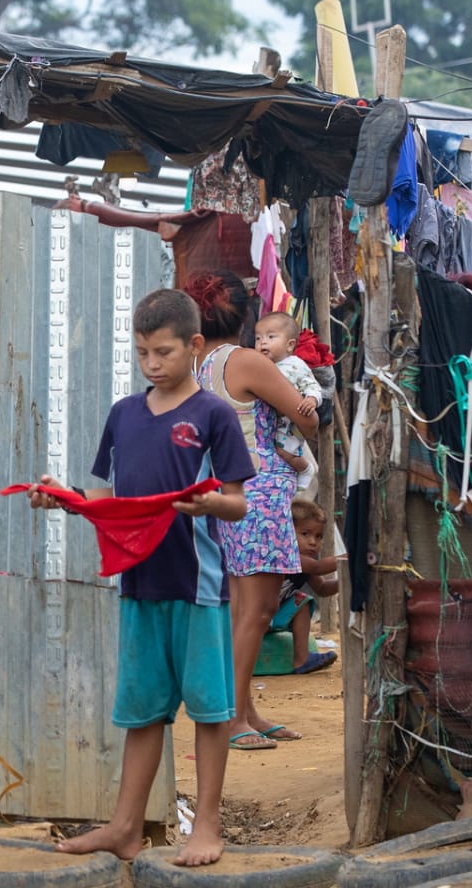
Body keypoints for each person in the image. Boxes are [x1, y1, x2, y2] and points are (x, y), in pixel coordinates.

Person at [27, 288, 252, 867]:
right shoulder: (124, 415)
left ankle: (207, 826)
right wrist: (65, 499)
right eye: (143, 352)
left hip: (198, 587)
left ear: (194, 346)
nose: (152, 363)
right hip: (139, 585)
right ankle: (126, 827)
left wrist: (208, 507)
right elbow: (103, 496)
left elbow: (238, 503)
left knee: (209, 710)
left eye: (164, 352)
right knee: (144, 712)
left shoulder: (214, 415)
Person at [183, 270, 317, 750]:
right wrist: (314, 403)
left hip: (228, 490)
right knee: (257, 611)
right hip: (259, 497)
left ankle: (246, 710)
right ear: (243, 316)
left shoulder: (201, 363)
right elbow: (305, 416)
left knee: (240, 609)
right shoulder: (244, 361)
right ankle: (233, 718)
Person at [251, 311, 321, 494]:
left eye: (271, 337)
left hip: (290, 425)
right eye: (258, 338)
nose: (263, 342)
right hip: (272, 422)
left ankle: (305, 468)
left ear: (290, 345)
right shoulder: (260, 365)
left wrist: (312, 399)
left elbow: (312, 385)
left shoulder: (296, 365)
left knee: (283, 452)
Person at [270, 499, 341, 676]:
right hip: (253, 618)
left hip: (273, 616)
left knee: (302, 600)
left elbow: (323, 588)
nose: (313, 542)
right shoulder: (285, 556)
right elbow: (318, 567)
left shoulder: (307, 565)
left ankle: (301, 660)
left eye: (318, 536)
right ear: (287, 533)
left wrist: (345, 583)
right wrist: (351, 557)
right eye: (305, 534)